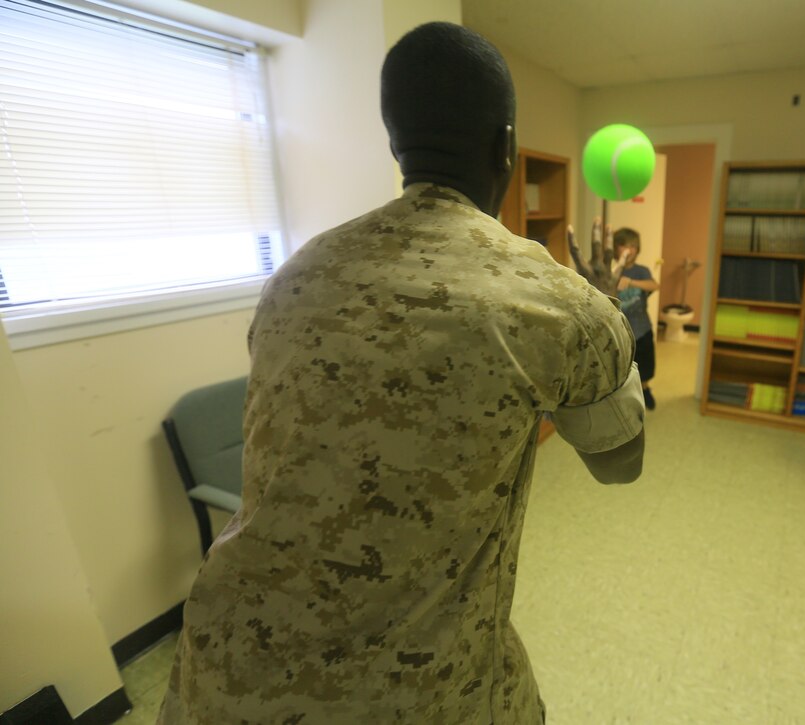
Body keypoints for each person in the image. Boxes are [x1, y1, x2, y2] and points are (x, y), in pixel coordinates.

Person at [159, 22, 645, 725]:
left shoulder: (293, 278)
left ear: (395, 143)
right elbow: (618, 463)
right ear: (505, 146)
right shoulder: (555, 300)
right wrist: (611, 327)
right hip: (421, 693)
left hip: (224, 669)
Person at [612, 227, 660, 410]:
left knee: (646, 364)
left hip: (642, 329)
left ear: (637, 249)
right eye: (623, 245)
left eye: (633, 246)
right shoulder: (611, 269)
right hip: (620, 332)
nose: (628, 250)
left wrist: (630, 282)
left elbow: (654, 285)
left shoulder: (641, 271)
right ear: (615, 248)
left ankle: (646, 390)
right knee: (621, 367)